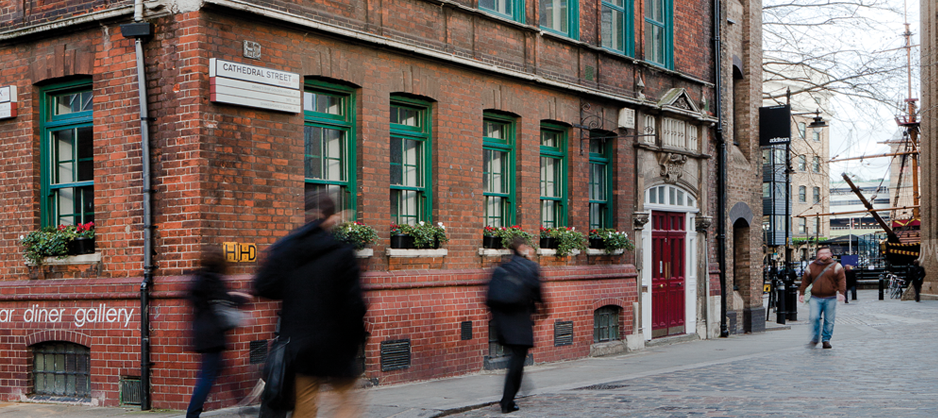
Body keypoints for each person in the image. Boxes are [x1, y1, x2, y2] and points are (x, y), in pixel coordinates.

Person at [253, 191, 367, 418]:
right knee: (346, 403)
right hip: (337, 344)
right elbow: (354, 304)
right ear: (331, 217)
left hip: (300, 344)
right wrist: (357, 339)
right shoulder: (342, 252)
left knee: (304, 405)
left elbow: (263, 286)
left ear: (306, 216)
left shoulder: (289, 248)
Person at [186, 249, 252, 418]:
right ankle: (192, 414)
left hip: (200, 334)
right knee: (206, 378)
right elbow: (224, 302)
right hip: (213, 336)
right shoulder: (215, 281)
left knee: (224, 370)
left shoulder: (198, 280)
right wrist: (242, 297)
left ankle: (243, 405)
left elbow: (208, 301)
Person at [486, 237, 544, 414]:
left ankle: (512, 395)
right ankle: (507, 402)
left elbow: (488, 297)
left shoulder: (502, 268)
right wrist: (543, 311)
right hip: (520, 321)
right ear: (523, 248)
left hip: (501, 321)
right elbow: (539, 295)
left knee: (515, 359)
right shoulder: (530, 267)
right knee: (517, 361)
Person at [798, 247, 846, 349]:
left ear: (830, 254)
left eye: (826, 253)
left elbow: (841, 280)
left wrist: (841, 292)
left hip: (830, 297)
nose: (823, 255)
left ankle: (826, 340)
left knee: (829, 320)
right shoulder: (811, 267)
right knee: (814, 317)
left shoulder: (836, 266)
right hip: (815, 297)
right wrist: (801, 293)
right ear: (818, 255)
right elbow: (805, 281)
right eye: (821, 253)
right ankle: (815, 338)